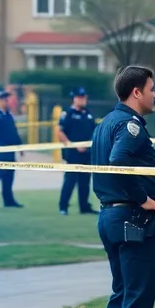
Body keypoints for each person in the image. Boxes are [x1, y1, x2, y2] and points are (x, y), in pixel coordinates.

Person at [87, 66, 155, 308]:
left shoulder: (104, 124)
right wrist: (144, 198)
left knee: (120, 296)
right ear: (136, 92)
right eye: (152, 88)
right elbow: (118, 161)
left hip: (110, 216)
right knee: (137, 298)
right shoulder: (130, 125)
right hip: (131, 218)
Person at [57, 87, 97, 216]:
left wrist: (89, 144)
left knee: (85, 182)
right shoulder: (67, 114)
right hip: (72, 154)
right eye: (80, 97)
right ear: (74, 98)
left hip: (86, 153)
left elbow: (94, 131)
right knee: (70, 181)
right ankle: (63, 207)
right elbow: (60, 132)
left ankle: (84, 206)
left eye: (84, 97)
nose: (83, 100)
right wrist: (73, 146)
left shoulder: (88, 114)